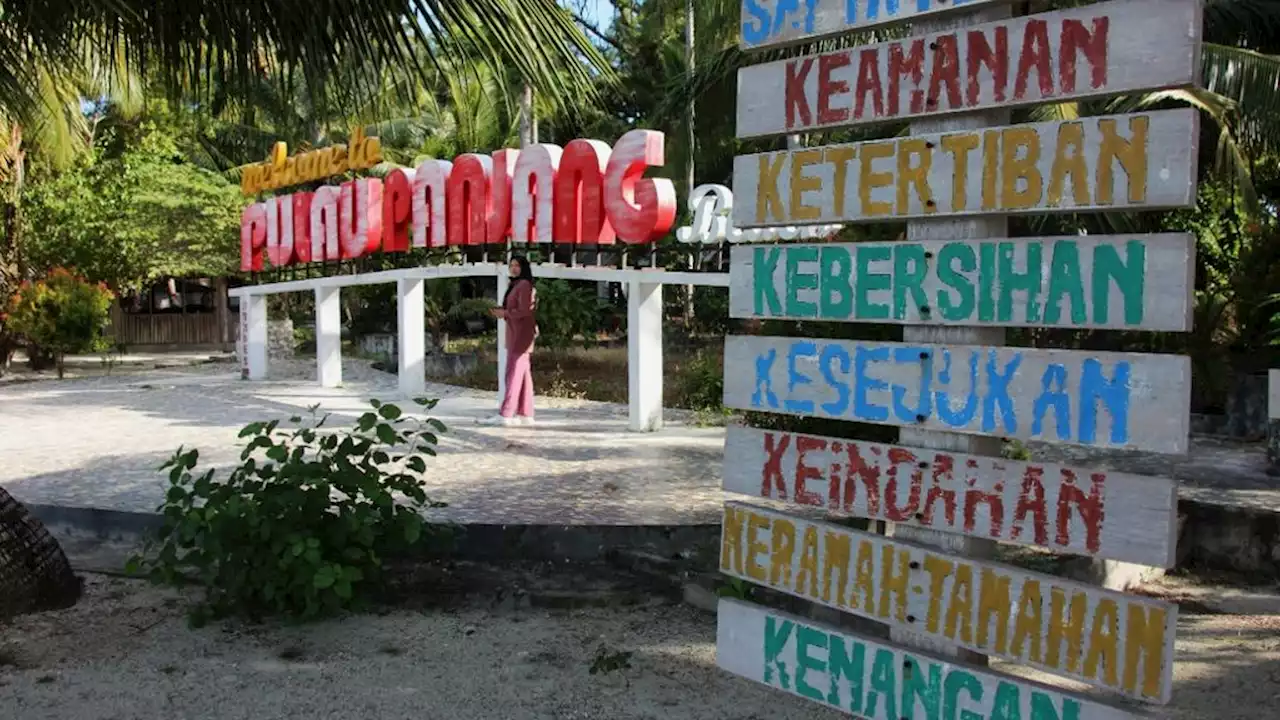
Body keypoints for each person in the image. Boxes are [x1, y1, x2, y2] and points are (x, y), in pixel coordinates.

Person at [480, 255, 537, 426]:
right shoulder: (518, 284)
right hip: (517, 333)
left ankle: (506, 414)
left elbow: (525, 311)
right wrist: (503, 312)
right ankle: (525, 414)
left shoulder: (525, 285)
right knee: (523, 375)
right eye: (511, 265)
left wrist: (504, 313)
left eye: (517, 265)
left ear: (524, 268)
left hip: (521, 335)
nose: (513, 268)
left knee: (512, 375)